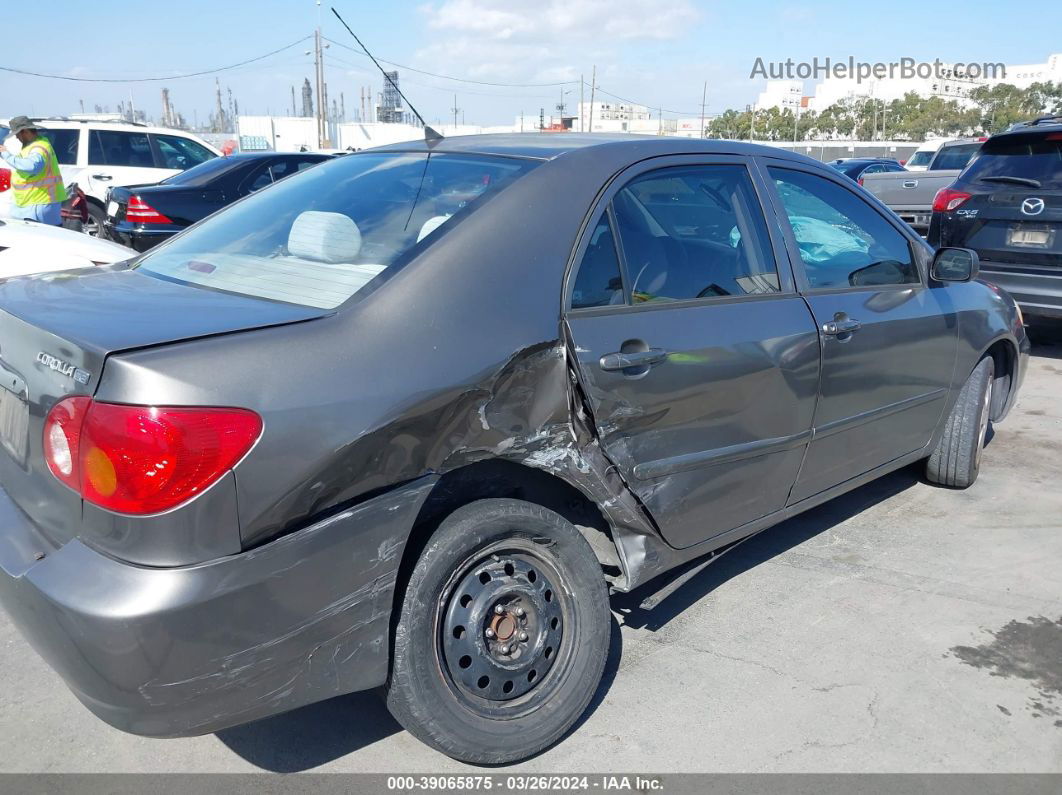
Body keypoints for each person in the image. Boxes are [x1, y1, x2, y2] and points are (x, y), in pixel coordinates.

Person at [0, 116, 68, 225]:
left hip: (38, 205)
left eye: (17, 134)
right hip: (35, 204)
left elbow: (32, 166)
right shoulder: (35, 145)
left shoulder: (38, 147)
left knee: (43, 239)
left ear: (26, 131)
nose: (17, 137)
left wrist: (6, 155)